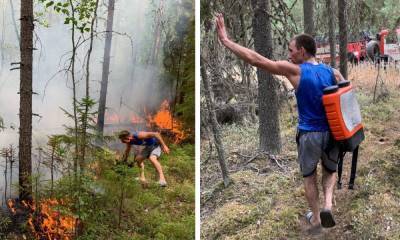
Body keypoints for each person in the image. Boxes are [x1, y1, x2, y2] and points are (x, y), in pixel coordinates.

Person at [215, 13, 345, 232]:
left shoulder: (296, 71)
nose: (289, 54)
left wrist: (226, 41)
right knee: (330, 171)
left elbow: (257, 60)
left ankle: (315, 220)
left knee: (309, 176)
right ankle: (328, 205)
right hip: (331, 133)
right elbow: (345, 96)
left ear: (302, 51)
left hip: (309, 135)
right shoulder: (332, 72)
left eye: (291, 50)